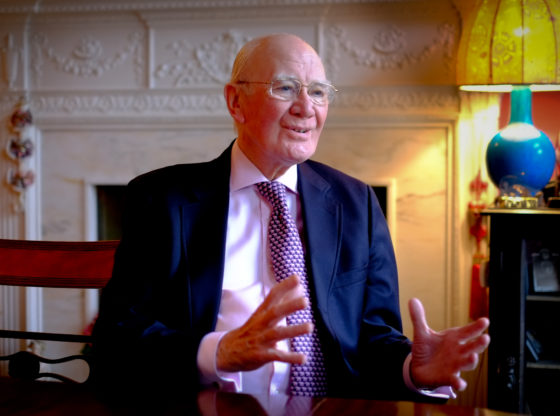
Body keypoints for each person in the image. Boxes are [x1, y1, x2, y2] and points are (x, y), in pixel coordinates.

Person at [91, 33, 489, 402]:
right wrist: (217, 352)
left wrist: (413, 370)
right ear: (235, 102)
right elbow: (118, 339)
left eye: (318, 92)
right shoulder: (164, 200)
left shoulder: (356, 204)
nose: (306, 108)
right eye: (285, 88)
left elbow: (373, 340)